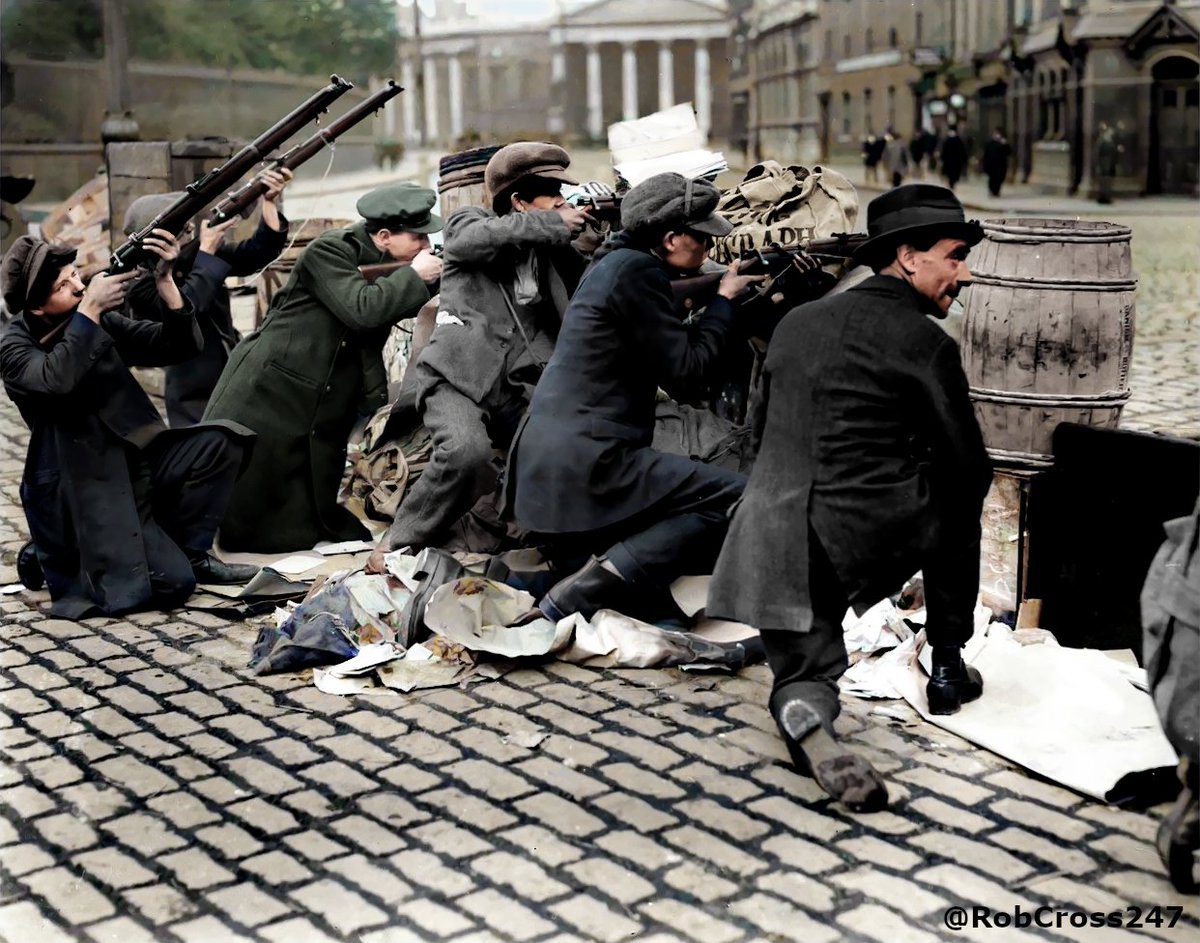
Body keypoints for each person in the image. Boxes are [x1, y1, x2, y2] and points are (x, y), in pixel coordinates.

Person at [708, 184, 993, 812]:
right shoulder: (927, 344)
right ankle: (947, 660)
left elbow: (756, 432)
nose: (964, 274)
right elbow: (968, 467)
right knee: (959, 491)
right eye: (954, 256)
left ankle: (806, 711)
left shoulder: (796, 322)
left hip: (771, 527)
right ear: (910, 257)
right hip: (869, 527)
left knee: (804, 667)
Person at [506, 173, 762, 623]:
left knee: (646, 609)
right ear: (669, 238)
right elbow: (687, 376)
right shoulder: (639, 271)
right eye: (700, 238)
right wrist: (723, 301)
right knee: (740, 498)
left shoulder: (613, 261)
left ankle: (547, 584)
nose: (707, 248)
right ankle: (581, 590)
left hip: (550, 467)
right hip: (591, 464)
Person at [0, 234, 259, 618]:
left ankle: (192, 552)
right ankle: (47, 553)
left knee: (223, 442)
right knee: (173, 584)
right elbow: (56, 379)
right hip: (87, 482)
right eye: (62, 286)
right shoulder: (13, 347)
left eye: (74, 276)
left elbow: (174, 347)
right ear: (36, 307)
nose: (78, 287)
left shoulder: (92, 319)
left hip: (138, 458)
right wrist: (88, 313)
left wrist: (166, 282)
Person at [369, 142, 591, 562]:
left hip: (519, 389)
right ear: (518, 201)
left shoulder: (552, 246)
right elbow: (471, 240)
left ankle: (527, 538)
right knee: (465, 453)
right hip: (457, 378)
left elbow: (588, 292)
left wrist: (585, 235)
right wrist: (553, 224)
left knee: (566, 450)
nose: (562, 201)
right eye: (551, 194)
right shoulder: (470, 223)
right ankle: (397, 544)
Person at [203, 183, 443, 553]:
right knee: (260, 484)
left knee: (311, 484)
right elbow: (363, 309)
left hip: (320, 386)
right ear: (383, 236)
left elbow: (393, 303)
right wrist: (414, 276)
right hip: (273, 381)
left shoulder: (382, 260)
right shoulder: (330, 250)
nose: (425, 247)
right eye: (418, 238)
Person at [124, 168, 293, 426]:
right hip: (192, 395)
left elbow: (257, 254)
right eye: (183, 230)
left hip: (231, 374)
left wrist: (267, 202)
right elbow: (187, 307)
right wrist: (206, 252)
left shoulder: (197, 257)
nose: (191, 232)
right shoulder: (139, 287)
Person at [982, 127, 1011, 198]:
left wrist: (1005, 144)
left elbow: (1009, 152)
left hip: (1001, 165)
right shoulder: (990, 143)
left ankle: (996, 191)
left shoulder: (1003, 143)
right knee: (992, 179)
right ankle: (992, 191)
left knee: (999, 179)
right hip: (992, 165)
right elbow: (986, 154)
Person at [1094, 121, 1119, 205]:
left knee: (1107, 181)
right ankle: (1104, 197)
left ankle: (1106, 197)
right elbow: (1098, 153)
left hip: (1108, 164)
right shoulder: (1103, 140)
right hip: (1104, 164)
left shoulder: (1108, 141)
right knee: (1104, 181)